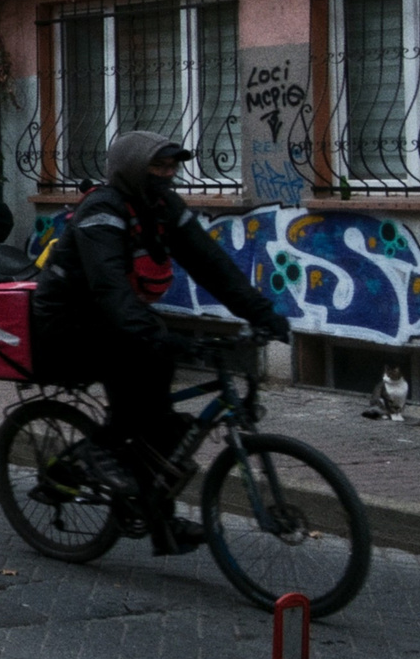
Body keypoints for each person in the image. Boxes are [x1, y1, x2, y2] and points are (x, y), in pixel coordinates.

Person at [31, 131, 288, 554]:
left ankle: (158, 520)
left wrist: (262, 314)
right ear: (132, 170)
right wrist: (158, 337)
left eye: (172, 167)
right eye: (158, 166)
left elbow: (211, 264)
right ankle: (96, 454)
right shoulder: (102, 210)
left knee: (163, 423)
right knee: (138, 396)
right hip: (68, 322)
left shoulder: (162, 207)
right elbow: (108, 287)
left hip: (118, 319)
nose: (168, 175)